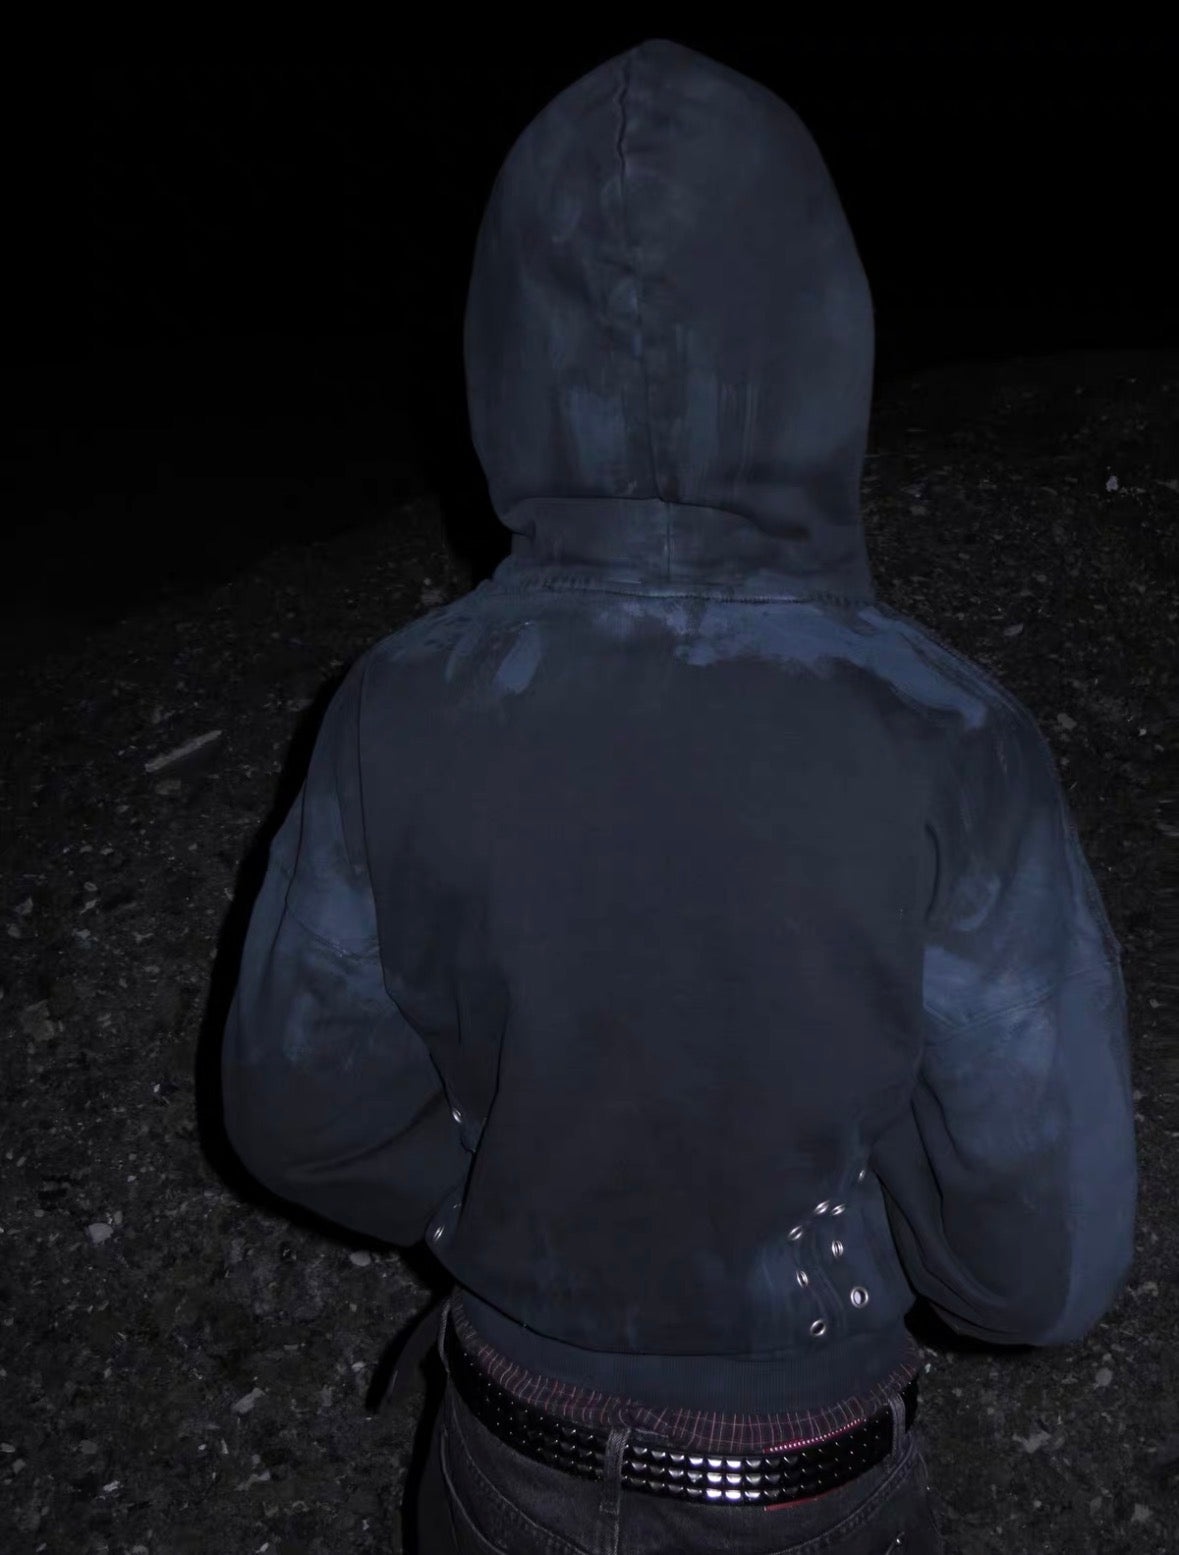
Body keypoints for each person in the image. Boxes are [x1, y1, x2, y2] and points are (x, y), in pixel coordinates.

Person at [221, 37, 1137, 1554]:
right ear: (817, 327)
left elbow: (297, 1117)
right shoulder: (953, 737)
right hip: (810, 1486)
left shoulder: (396, 705)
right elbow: (1038, 1268)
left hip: (498, 1463)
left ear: (507, 340)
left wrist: (499, 1207)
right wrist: (834, 1255)